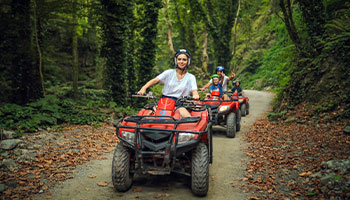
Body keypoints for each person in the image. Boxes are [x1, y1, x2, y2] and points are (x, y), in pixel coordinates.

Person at [137, 49, 199, 118]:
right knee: (147, 115)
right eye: (179, 59)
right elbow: (155, 80)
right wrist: (143, 88)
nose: (181, 62)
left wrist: (195, 95)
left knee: (187, 118)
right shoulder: (169, 72)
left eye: (184, 60)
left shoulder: (191, 77)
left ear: (188, 62)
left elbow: (194, 90)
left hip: (179, 103)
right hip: (163, 102)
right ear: (176, 61)